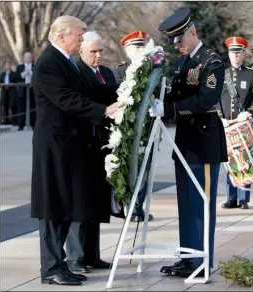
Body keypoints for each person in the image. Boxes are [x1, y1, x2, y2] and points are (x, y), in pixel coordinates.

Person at [30, 15, 121, 286]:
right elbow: (67, 99)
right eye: (78, 35)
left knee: (65, 204)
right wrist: (103, 111)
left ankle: (61, 264)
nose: (82, 39)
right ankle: (51, 268)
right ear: (62, 36)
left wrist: (127, 91)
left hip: (69, 145)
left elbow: (90, 91)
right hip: (54, 145)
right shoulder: (48, 63)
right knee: (52, 206)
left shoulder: (66, 62)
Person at [152, 8, 228, 278]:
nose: (176, 45)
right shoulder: (184, 63)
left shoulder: (212, 62)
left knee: (201, 204)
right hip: (185, 143)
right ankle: (189, 256)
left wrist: (169, 110)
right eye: (173, 40)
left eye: (179, 39)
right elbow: (176, 93)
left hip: (204, 142)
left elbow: (205, 101)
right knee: (186, 203)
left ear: (192, 33)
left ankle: (202, 260)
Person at [65, 31, 119, 274]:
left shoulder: (107, 73)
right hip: (82, 144)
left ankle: (92, 255)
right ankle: (75, 258)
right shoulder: (75, 72)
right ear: (81, 50)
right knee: (79, 203)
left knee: (97, 200)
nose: (98, 56)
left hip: (103, 146)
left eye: (101, 51)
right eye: (93, 52)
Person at [219, 36, 253, 210]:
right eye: (232, 53)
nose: (235, 56)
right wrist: (219, 117)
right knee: (229, 160)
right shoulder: (222, 74)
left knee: (245, 159)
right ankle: (231, 197)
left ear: (243, 54)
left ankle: (244, 198)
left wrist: (249, 112)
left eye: (238, 53)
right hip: (227, 124)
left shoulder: (252, 74)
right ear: (229, 55)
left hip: (243, 124)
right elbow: (215, 99)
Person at [113, 30, 154, 223]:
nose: (140, 50)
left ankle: (138, 207)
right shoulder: (120, 72)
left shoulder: (152, 70)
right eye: (136, 47)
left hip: (147, 128)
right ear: (127, 50)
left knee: (144, 169)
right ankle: (128, 206)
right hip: (127, 131)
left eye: (142, 46)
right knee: (128, 168)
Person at [16, 52, 36, 130]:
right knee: (21, 107)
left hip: (32, 90)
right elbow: (15, 77)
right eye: (26, 57)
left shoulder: (35, 66)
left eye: (29, 57)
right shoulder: (19, 67)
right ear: (24, 58)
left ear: (32, 58)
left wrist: (33, 74)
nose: (28, 59)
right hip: (22, 90)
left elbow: (39, 77)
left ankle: (33, 124)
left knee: (32, 107)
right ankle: (21, 125)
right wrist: (22, 74)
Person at [0, 61, 20, 125]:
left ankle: (15, 121)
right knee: (5, 106)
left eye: (8, 65)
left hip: (12, 92)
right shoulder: (2, 74)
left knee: (13, 106)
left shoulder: (14, 74)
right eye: (6, 65)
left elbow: (17, 81)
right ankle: (6, 121)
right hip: (4, 92)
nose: (7, 66)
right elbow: (0, 81)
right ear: (4, 67)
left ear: (10, 66)